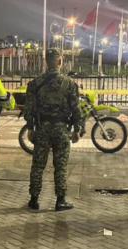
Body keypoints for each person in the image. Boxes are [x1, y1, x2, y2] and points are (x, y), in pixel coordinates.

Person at [23, 49, 84, 212]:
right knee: (61, 165)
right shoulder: (69, 84)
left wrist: (30, 127)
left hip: (42, 128)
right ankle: (60, 200)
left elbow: (28, 109)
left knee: (37, 165)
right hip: (61, 129)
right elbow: (76, 109)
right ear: (60, 62)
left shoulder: (35, 84)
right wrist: (77, 129)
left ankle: (34, 200)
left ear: (45, 62)